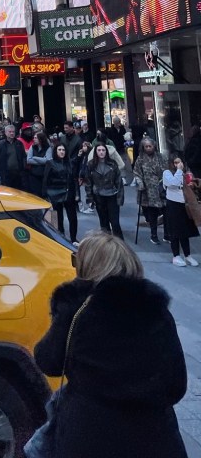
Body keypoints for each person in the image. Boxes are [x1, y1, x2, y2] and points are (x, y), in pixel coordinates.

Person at [30, 232, 188, 458]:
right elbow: (176, 385)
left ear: (88, 267)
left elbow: (48, 361)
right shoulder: (156, 311)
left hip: (88, 437)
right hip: (154, 438)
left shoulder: (77, 310)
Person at [162, 156, 200, 267]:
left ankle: (187, 255)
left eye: (180, 162)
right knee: (175, 232)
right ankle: (176, 255)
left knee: (185, 232)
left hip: (184, 205)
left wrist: (191, 184)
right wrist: (179, 171)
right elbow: (173, 183)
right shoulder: (167, 173)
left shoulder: (185, 173)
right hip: (173, 204)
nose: (179, 164)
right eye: (176, 162)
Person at [84, 142, 124, 239]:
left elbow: (119, 182)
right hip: (98, 196)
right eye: (99, 150)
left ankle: (120, 242)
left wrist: (120, 198)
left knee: (115, 223)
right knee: (104, 223)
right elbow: (88, 183)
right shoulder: (91, 164)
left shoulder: (113, 164)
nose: (101, 152)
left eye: (103, 150)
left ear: (106, 151)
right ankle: (106, 243)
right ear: (96, 152)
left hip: (112, 195)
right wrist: (90, 199)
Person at [133, 137, 167, 245]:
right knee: (152, 214)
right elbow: (137, 172)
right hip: (148, 190)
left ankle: (167, 234)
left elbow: (166, 170)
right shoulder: (140, 159)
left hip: (161, 188)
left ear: (154, 146)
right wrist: (140, 183)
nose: (148, 148)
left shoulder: (160, 157)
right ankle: (154, 235)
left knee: (166, 212)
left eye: (150, 146)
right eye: (146, 146)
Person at [43, 142, 78, 243]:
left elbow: (73, 179)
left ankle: (73, 238)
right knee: (58, 218)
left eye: (63, 150)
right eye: (59, 150)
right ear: (56, 151)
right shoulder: (50, 163)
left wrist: (76, 194)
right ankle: (60, 238)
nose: (62, 152)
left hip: (69, 193)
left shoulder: (69, 163)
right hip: (55, 193)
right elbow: (46, 180)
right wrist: (45, 196)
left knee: (73, 218)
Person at [0, 123, 26, 189]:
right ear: (5, 133)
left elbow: (23, 157)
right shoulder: (1, 144)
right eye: (10, 132)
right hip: (5, 173)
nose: (12, 133)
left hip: (17, 173)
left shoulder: (19, 144)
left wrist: (23, 169)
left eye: (13, 132)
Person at [26, 131, 52, 197]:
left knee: (43, 194)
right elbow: (28, 160)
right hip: (33, 174)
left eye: (36, 138)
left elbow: (47, 161)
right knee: (35, 194)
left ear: (40, 139)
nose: (34, 139)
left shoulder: (48, 148)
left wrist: (34, 157)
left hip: (44, 175)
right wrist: (42, 160)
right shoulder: (32, 147)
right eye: (34, 137)